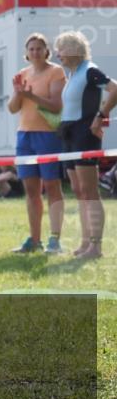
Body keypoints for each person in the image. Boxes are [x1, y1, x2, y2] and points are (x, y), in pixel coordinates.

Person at [54, 31, 117, 259]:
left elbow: (115, 89)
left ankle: (96, 246)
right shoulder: (72, 74)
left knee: (90, 191)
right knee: (79, 191)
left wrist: (101, 115)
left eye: (62, 48)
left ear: (75, 50)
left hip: (85, 134)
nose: (58, 53)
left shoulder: (90, 70)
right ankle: (85, 243)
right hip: (69, 134)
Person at [7, 32, 67, 254]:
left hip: (48, 135)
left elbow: (55, 106)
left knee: (52, 186)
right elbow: (13, 108)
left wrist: (31, 97)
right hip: (25, 136)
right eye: (31, 49)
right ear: (26, 53)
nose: (35, 52)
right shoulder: (23, 74)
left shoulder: (56, 72)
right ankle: (34, 240)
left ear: (46, 51)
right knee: (31, 191)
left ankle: (55, 240)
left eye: (39, 48)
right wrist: (19, 93)